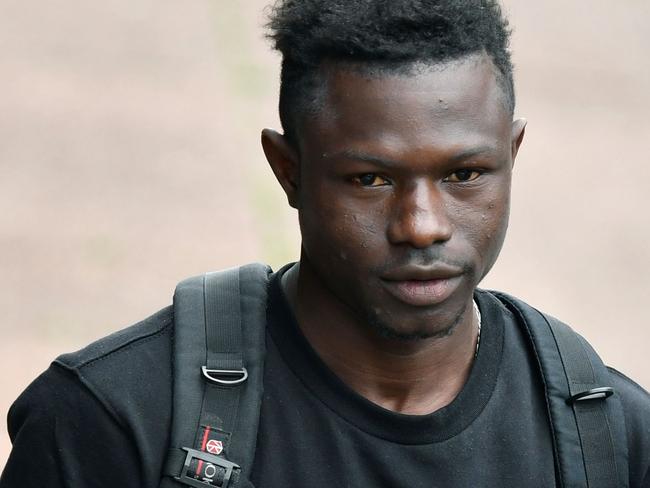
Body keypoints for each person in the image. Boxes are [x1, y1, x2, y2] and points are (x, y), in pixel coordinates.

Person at [1, 0, 649, 487]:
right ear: (289, 170)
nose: (422, 224)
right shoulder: (113, 423)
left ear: (512, 155)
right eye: (370, 178)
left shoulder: (611, 439)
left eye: (463, 174)